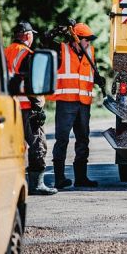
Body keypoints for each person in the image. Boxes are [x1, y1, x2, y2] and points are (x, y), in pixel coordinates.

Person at [43, 21, 105, 189]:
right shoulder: (62, 50)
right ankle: (59, 178)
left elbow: (91, 73)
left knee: (83, 140)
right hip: (66, 103)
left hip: (84, 104)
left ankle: (81, 177)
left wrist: (98, 80)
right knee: (62, 140)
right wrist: (58, 30)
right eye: (86, 39)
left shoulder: (90, 52)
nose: (89, 43)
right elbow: (45, 40)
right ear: (76, 39)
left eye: (90, 40)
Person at [5, 21, 57, 196]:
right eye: (32, 35)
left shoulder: (5, 52)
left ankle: (11, 183)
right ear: (27, 36)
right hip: (28, 107)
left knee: (14, 146)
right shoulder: (26, 55)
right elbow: (31, 83)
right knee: (37, 144)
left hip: (11, 106)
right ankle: (36, 184)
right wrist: (37, 108)